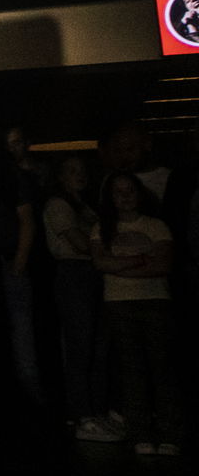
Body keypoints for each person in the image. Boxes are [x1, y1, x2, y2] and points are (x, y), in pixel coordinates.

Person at [89, 173, 181, 455]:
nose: (125, 196)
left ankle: (170, 433)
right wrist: (141, 259)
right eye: (119, 192)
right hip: (119, 302)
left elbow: (163, 264)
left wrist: (121, 264)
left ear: (139, 194)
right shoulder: (101, 228)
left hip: (155, 300)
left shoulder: (157, 226)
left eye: (130, 190)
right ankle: (140, 432)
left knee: (161, 368)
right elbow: (101, 263)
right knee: (131, 370)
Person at [42, 154, 119, 441]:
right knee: (81, 346)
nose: (80, 175)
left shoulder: (86, 206)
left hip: (94, 273)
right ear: (60, 177)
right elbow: (77, 242)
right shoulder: (58, 205)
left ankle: (96, 412)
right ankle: (82, 415)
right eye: (72, 171)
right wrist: (111, 253)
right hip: (76, 274)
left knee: (98, 347)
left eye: (82, 170)